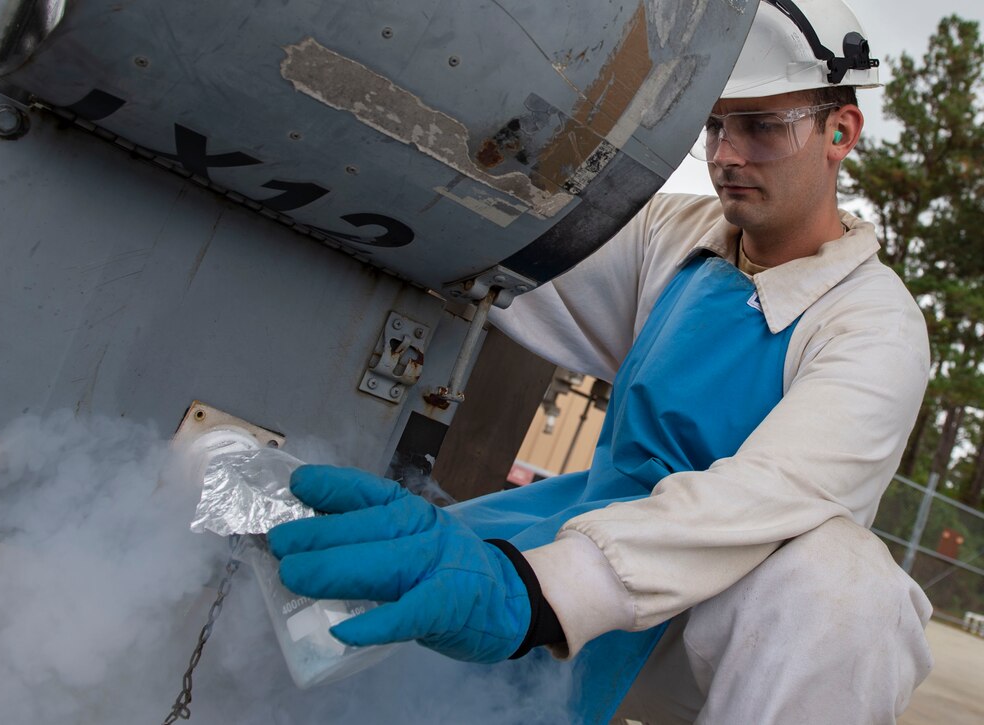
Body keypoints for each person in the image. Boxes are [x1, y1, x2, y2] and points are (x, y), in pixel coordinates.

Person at [268, 1, 935, 722]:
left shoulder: (875, 327)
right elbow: (504, 262)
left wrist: (534, 593)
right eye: (715, 124)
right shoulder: (674, 234)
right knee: (348, 623)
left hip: (712, 629)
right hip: (586, 539)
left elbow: (762, 496)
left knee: (850, 591)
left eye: (763, 127)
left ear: (841, 131)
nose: (726, 155)